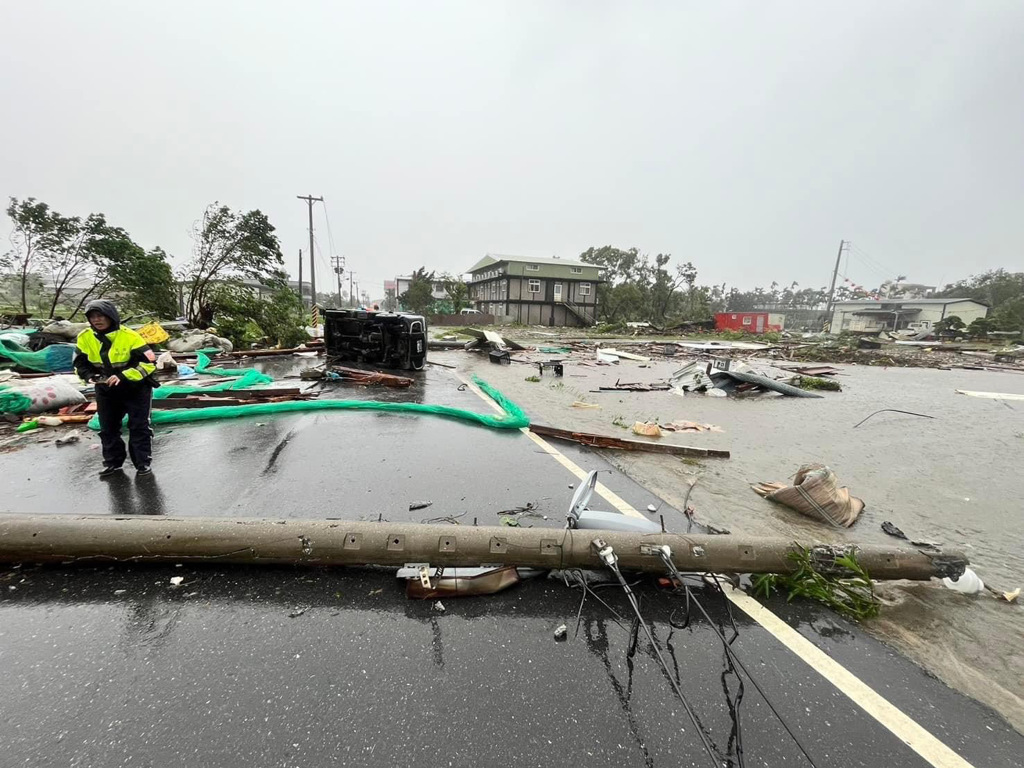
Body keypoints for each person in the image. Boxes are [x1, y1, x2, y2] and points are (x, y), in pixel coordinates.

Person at [74, 300, 158, 478]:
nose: (97, 320)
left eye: (101, 316)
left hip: (134, 388)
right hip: (106, 389)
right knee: (108, 428)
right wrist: (90, 376)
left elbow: (149, 363)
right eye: (92, 317)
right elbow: (79, 363)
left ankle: (142, 463)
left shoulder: (130, 336)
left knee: (139, 427)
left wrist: (123, 376)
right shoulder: (85, 337)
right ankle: (113, 463)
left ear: (111, 316)